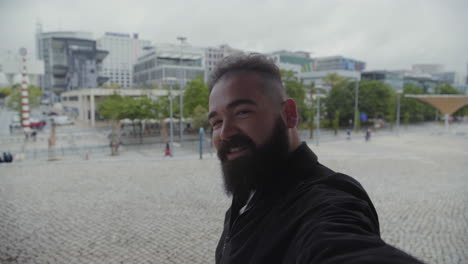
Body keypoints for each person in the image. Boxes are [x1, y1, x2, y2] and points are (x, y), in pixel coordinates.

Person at [208, 54, 422, 264]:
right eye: (216, 122)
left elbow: (336, 243)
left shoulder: (325, 200)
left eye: (243, 112)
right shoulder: (249, 187)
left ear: (288, 114)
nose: (225, 132)